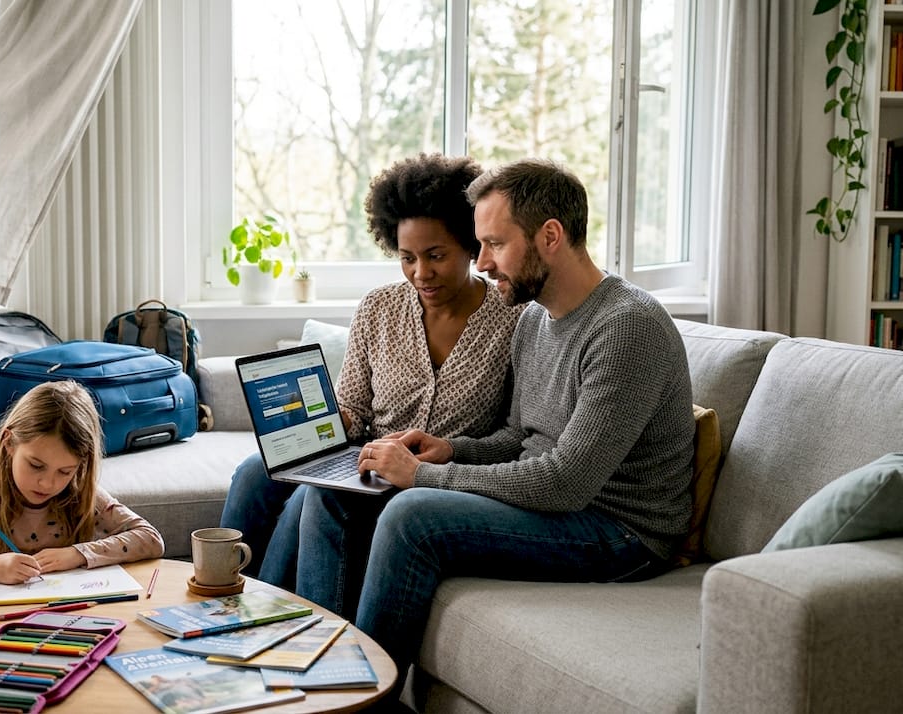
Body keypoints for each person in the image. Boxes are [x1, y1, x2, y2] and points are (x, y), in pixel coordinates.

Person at [296, 158, 696, 672]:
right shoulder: (533, 318)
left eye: (495, 244)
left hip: (619, 531)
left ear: (550, 236)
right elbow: (519, 437)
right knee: (339, 495)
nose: (481, 262)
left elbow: (565, 482)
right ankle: (313, 669)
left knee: (411, 515)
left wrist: (425, 475)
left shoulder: (626, 328)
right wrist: (452, 449)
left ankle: (361, 698)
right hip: (560, 504)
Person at [218, 153, 523, 590]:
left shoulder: (513, 319)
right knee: (255, 470)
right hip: (366, 461)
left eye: (435, 255)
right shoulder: (379, 307)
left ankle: (263, 613)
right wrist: (309, 431)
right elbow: (352, 407)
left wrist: (451, 449)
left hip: (432, 478)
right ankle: (220, 591)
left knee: (312, 495)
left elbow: (515, 436)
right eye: (407, 258)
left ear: (472, 247)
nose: (421, 273)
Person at [0, 380, 164, 583]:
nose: (48, 484)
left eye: (64, 471)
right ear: (9, 443)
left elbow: (150, 538)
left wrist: (78, 554)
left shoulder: (80, 490)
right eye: (36, 465)